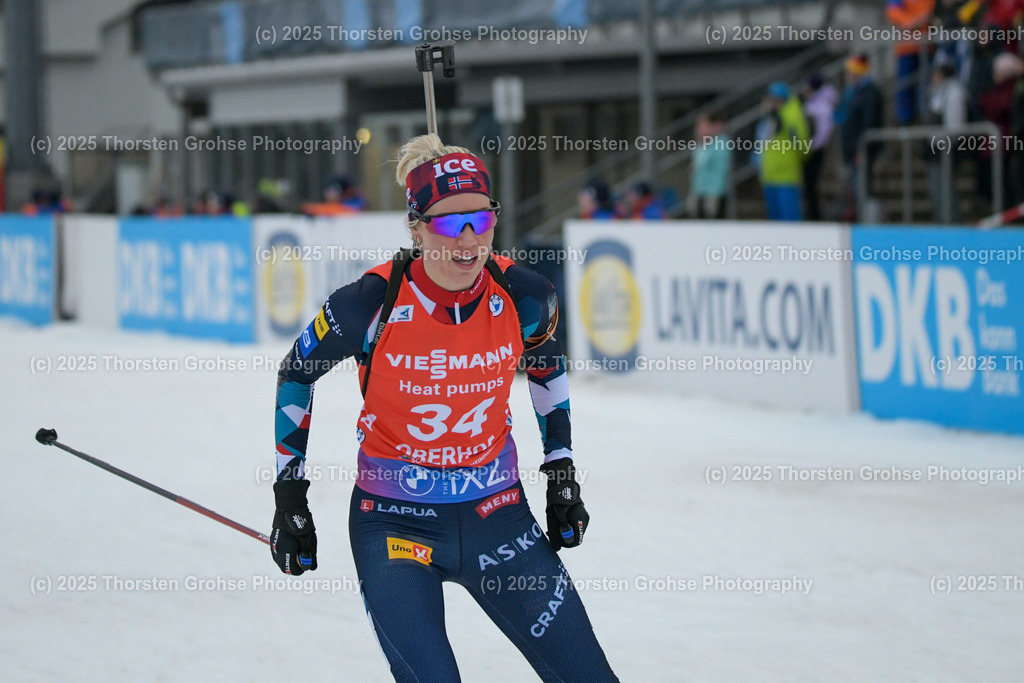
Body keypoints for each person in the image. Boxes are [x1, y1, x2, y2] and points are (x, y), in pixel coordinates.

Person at [268, 133, 619, 682]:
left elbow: (547, 370)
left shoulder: (525, 296)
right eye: (449, 223)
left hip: (498, 517)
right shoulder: (368, 304)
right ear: (415, 226)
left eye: (481, 220)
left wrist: (561, 475)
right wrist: (290, 496)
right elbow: (296, 374)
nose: (468, 241)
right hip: (393, 523)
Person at [837, 54, 885, 220]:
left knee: (863, 188)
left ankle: (868, 221)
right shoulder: (853, 93)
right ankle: (862, 218)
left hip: (862, 151)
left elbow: (868, 124)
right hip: (853, 150)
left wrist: (863, 149)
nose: (847, 77)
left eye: (849, 73)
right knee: (857, 189)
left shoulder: (869, 94)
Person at [757, 81, 810, 221]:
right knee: (775, 219)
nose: (773, 103)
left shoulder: (792, 116)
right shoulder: (769, 117)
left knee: (790, 216)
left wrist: (785, 124)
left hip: (787, 175)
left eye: (776, 99)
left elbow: (803, 146)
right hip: (769, 174)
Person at [927, 62, 968, 222]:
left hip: (946, 148)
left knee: (945, 189)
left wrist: (944, 144)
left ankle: (952, 221)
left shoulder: (954, 93)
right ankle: (943, 220)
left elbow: (955, 125)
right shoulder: (940, 92)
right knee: (937, 189)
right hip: (936, 148)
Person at [802, 74, 839, 221]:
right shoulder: (814, 102)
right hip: (811, 147)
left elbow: (824, 132)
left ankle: (814, 215)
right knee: (809, 184)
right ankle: (812, 213)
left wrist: (811, 146)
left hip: (815, 149)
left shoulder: (823, 105)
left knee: (811, 183)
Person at [689, 112, 732, 219]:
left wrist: (714, 195)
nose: (699, 129)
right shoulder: (701, 145)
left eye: (703, 125)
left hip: (713, 194)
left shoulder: (720, 144)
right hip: (700, 191)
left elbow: (721, 171)